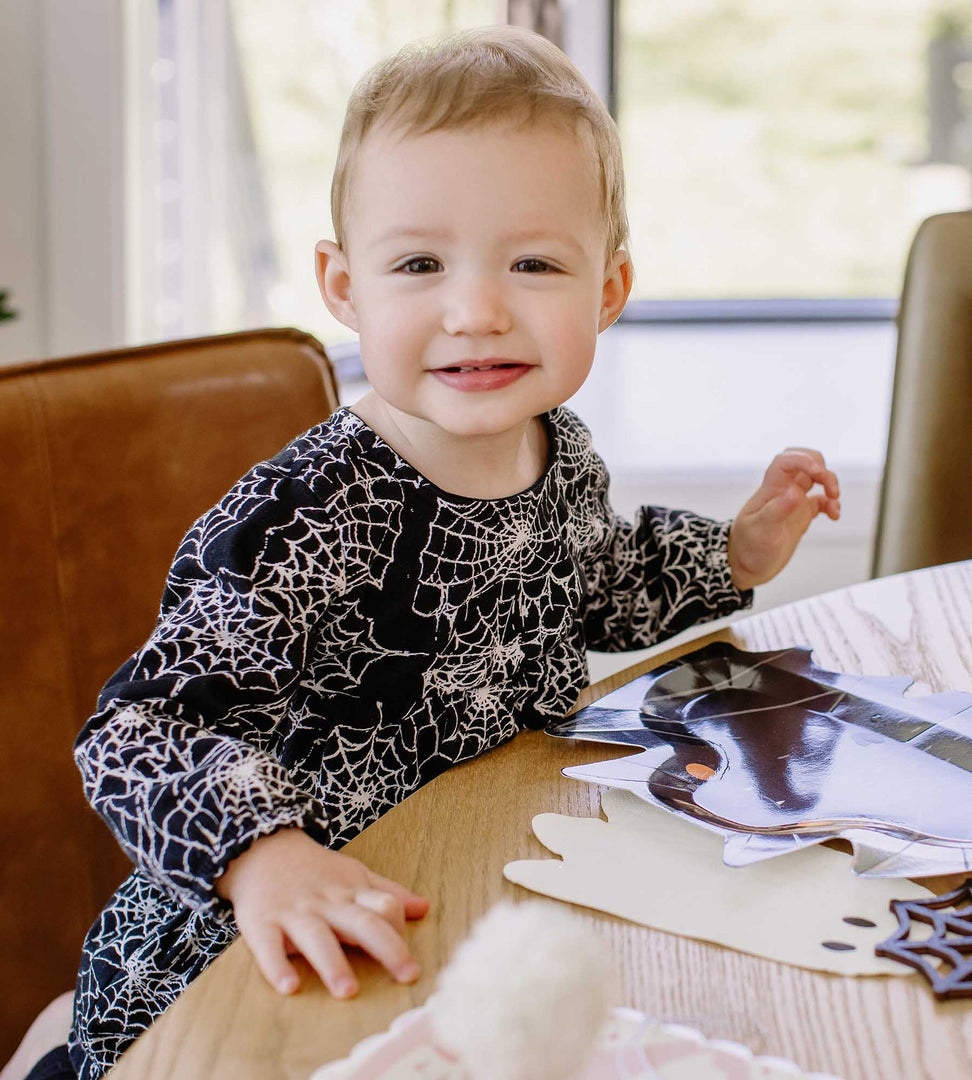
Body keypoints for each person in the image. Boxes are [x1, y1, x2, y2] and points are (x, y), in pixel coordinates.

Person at [48, 24, 840, 1080]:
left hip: (485, 887)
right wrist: (262, 857)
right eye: (419, 263)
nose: (476, 309)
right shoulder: (305, 509)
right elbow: (136, 728)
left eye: (534, 262)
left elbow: (600, 584)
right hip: (278, 932)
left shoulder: (559, 453)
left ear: (607, 290)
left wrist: (738, 551)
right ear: (344, 287)